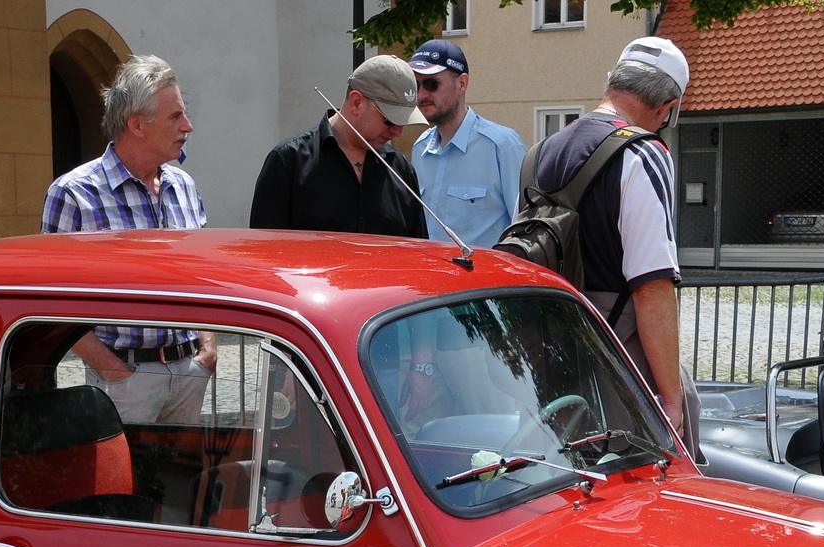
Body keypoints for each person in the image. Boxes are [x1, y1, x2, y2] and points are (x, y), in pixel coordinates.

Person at [531, 37, 700, 458]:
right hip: (619, 360)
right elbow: (651, 287)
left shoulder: (539, 153)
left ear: (611, 81)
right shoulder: (643, 153)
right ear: (667, 107)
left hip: (552, 356)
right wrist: (671, 398)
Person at [41, 54, 216, 423]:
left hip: (190, 371)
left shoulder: (182, 186)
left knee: (185, 481)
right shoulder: (75, 193)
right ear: (137, 124)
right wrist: (113, 371)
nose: (188, 126)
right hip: (124, 380)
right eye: (175, 116)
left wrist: (207, 349)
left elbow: (201, 274)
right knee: (125, 482)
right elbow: (47, 299)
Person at [249, 54, 427, 236]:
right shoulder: (288, 161)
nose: (398, 132)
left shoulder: (401, 170)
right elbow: (266, 253)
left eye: (404, 122)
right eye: (390, 120)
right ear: (357, 102)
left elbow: (419, 253)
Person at [406, 38, 527, 249]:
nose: (422, 94)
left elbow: (526, 231)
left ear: (461, 83)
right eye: (416, 85)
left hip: (484, 280)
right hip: (428, 277)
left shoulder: (502, 146)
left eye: (432, 84)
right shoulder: (420, 148)